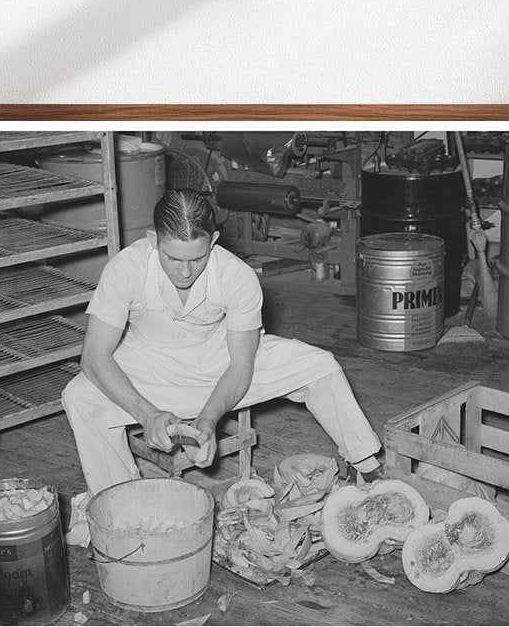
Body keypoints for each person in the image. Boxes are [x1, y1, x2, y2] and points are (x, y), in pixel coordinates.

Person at [61, 189, 382, 496]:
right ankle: (117, 500)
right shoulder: (126, 268)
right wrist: (147, 414)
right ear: (153, 240)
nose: (185, 272)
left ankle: (366, 464)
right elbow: (94, 357)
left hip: (220, 360)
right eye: (173, 258)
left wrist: (209, 418)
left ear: (213, 241)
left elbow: (242, 362)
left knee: (320, 366)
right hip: (147, 363)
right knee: (79, 397)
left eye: (197, 259)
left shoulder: (236, 275)